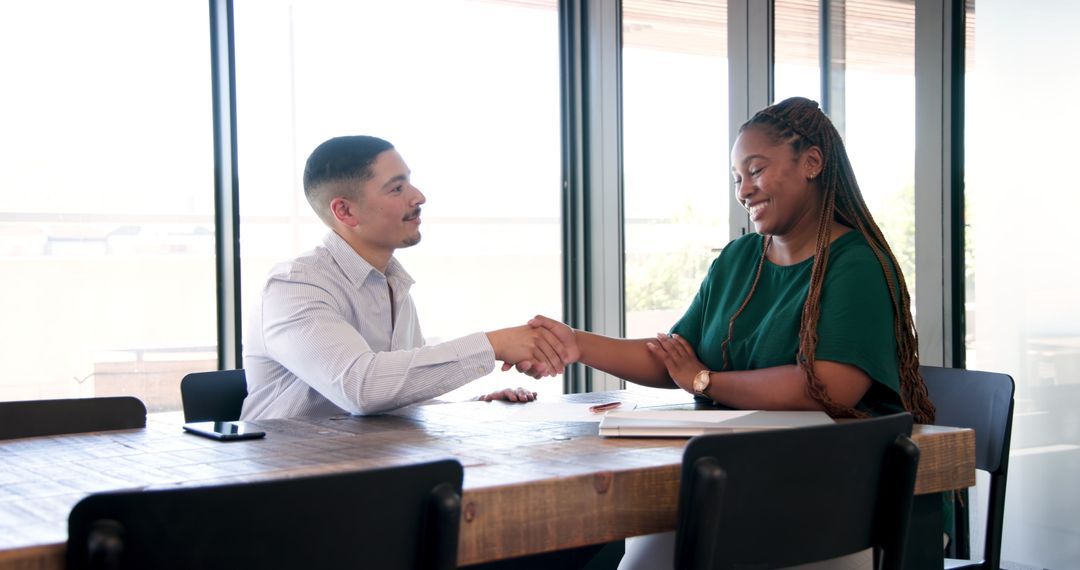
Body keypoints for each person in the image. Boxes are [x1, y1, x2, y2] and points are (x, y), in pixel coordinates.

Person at [520, 96, 937, 569]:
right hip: (743, 483)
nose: (744, 190)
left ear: (813, 163)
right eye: (737, 179)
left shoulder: (856, 263)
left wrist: (706, 382)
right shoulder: (738, 260)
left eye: (755, 171)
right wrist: (575, 344)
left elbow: (832, 386)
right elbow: (675, 358)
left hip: (834, 501)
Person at [240, 135, 566, 420]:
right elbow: (361, 388)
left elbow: (392, 395)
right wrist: (492, 344)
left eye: (409, 182)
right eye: (397, 188)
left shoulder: (392, 283)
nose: (418, 196)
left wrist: (473, 404)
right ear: (345, 212)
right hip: (285, 479)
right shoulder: (294, 285)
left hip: (363, 467)